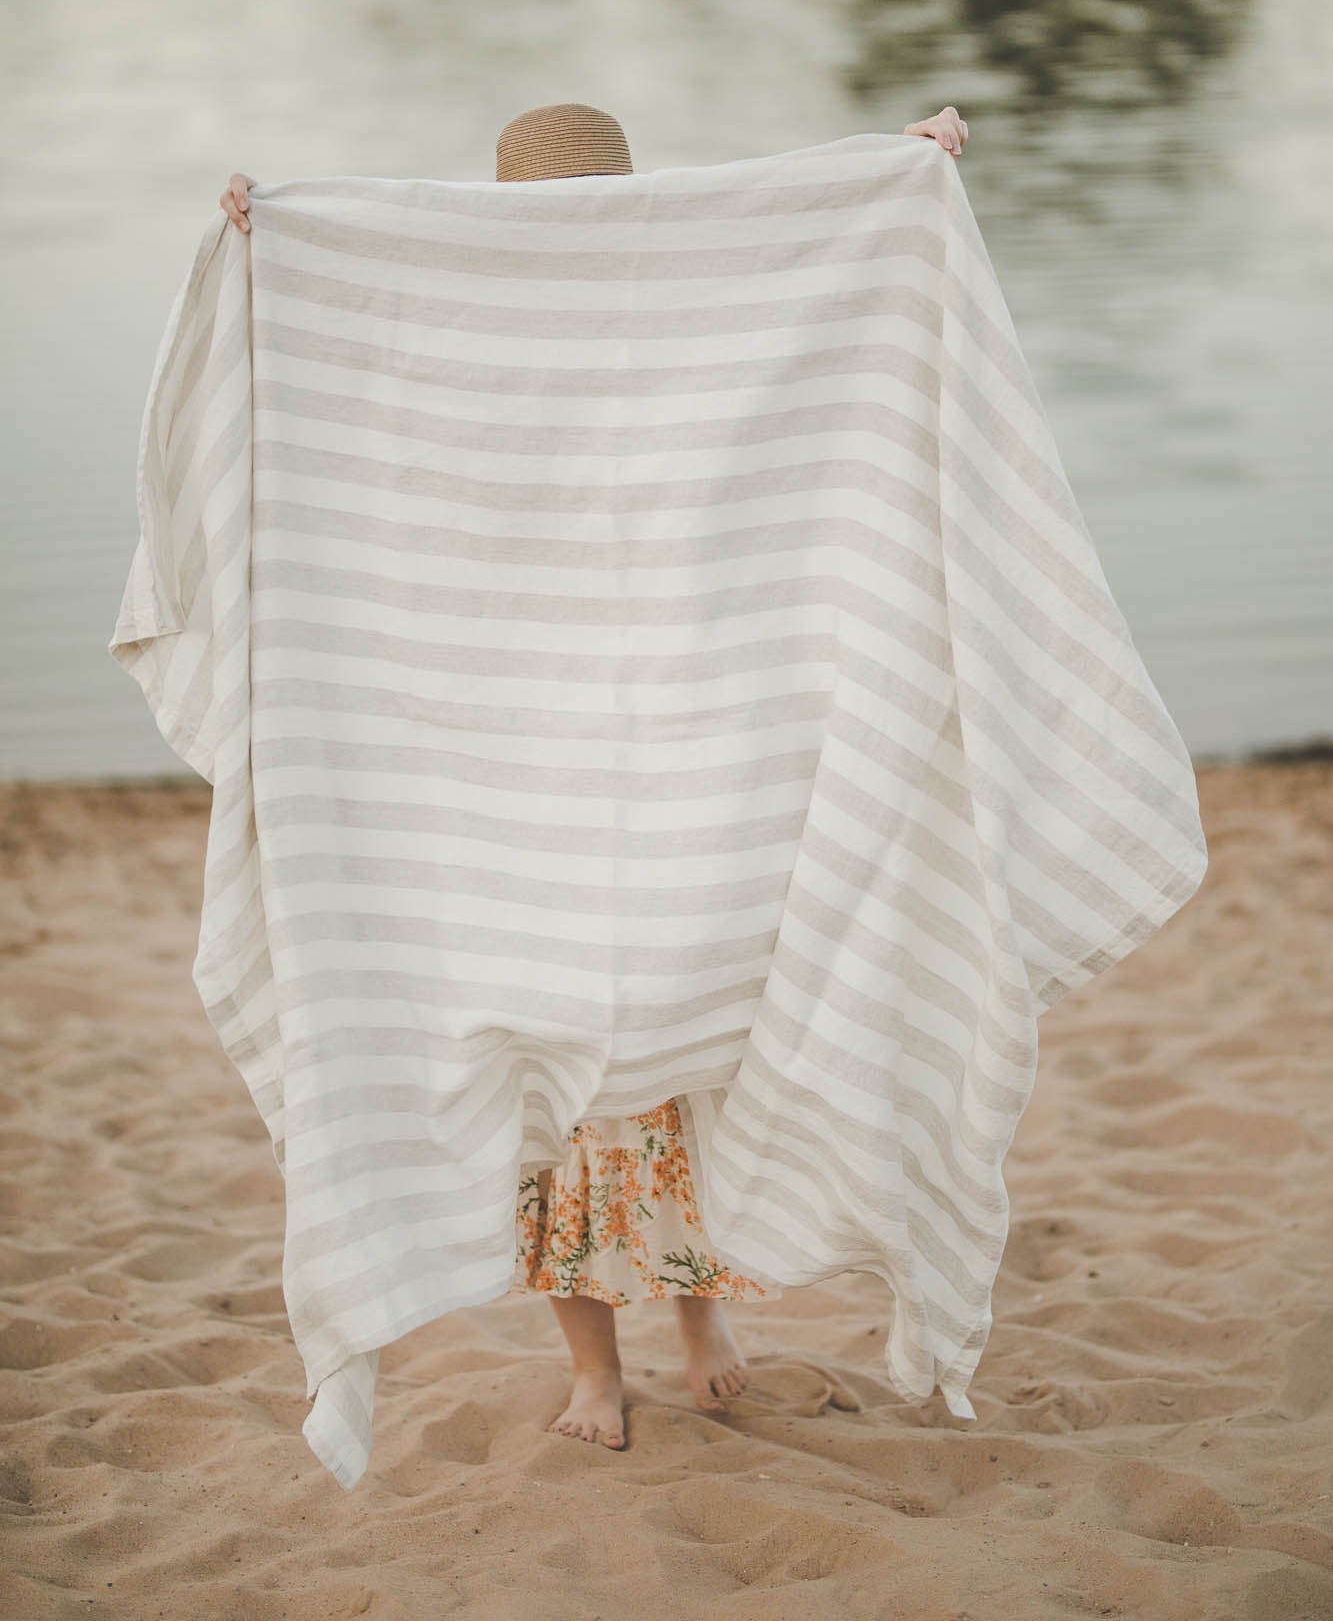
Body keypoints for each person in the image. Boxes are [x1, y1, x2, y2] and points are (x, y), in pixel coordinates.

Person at [216, 97, 970, 1452]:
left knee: (681, 1071)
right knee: (545, 1120)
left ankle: (699, 1324)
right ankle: (590, 1374)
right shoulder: (458, 323)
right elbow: (382, 428)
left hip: (673, 726)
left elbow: (792, 294)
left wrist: (897, 175)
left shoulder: (675, 301)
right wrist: (272, 251)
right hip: (513, 749)